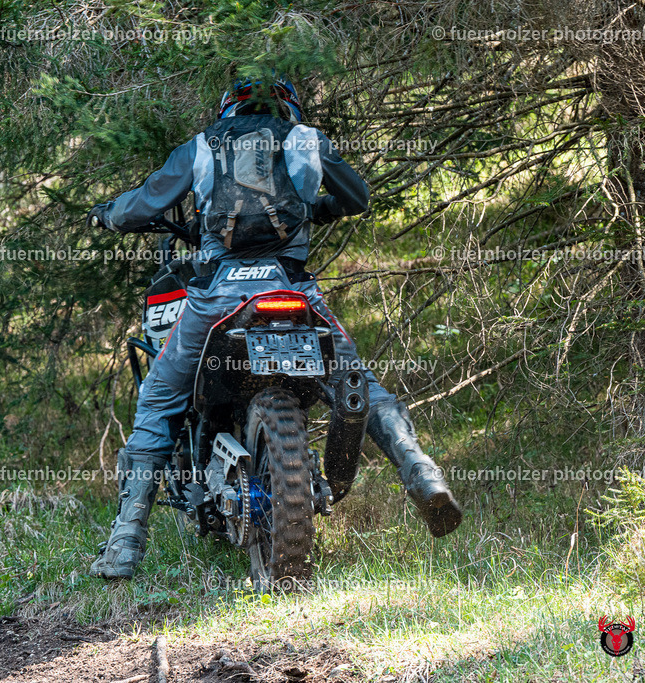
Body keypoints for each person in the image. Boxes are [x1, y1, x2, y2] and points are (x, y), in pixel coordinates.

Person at [87, 77, 462, 580]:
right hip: (294, 290)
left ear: (227, 110)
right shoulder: (307, 139)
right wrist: (317, 208)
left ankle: (126, 539)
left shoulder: (201, 147)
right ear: (287, 108)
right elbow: (357, 196)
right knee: (358, 383)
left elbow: (142, 204)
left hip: (219, 298)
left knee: (159, 397)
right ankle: (421, 472)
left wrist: (108, 215)